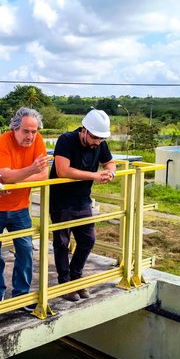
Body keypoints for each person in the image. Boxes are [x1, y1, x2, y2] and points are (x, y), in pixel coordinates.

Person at [0, 107, 49, 308]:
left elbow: (43, 175)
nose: (30, 136)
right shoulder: (4, 140)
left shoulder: (38, 140)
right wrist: (29, 171)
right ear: (15, 128)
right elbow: (5, 174)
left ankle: (21, 295)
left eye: (34, 131)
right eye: (26, 131)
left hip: (20, 207)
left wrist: (14, 181)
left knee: (26, 250)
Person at [49, 108, 116, 302]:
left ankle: (76, 277)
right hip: (61, 200)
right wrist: (95, 175)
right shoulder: (66, 140)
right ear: (84, 130)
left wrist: (110, 172)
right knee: (62, 243)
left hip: (82, 199)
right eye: (94, 137)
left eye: (101, 139)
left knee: (88, 240)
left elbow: (110, 162)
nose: (97, 142)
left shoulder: (99, 143)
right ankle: (65, 283)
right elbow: (63, 170)